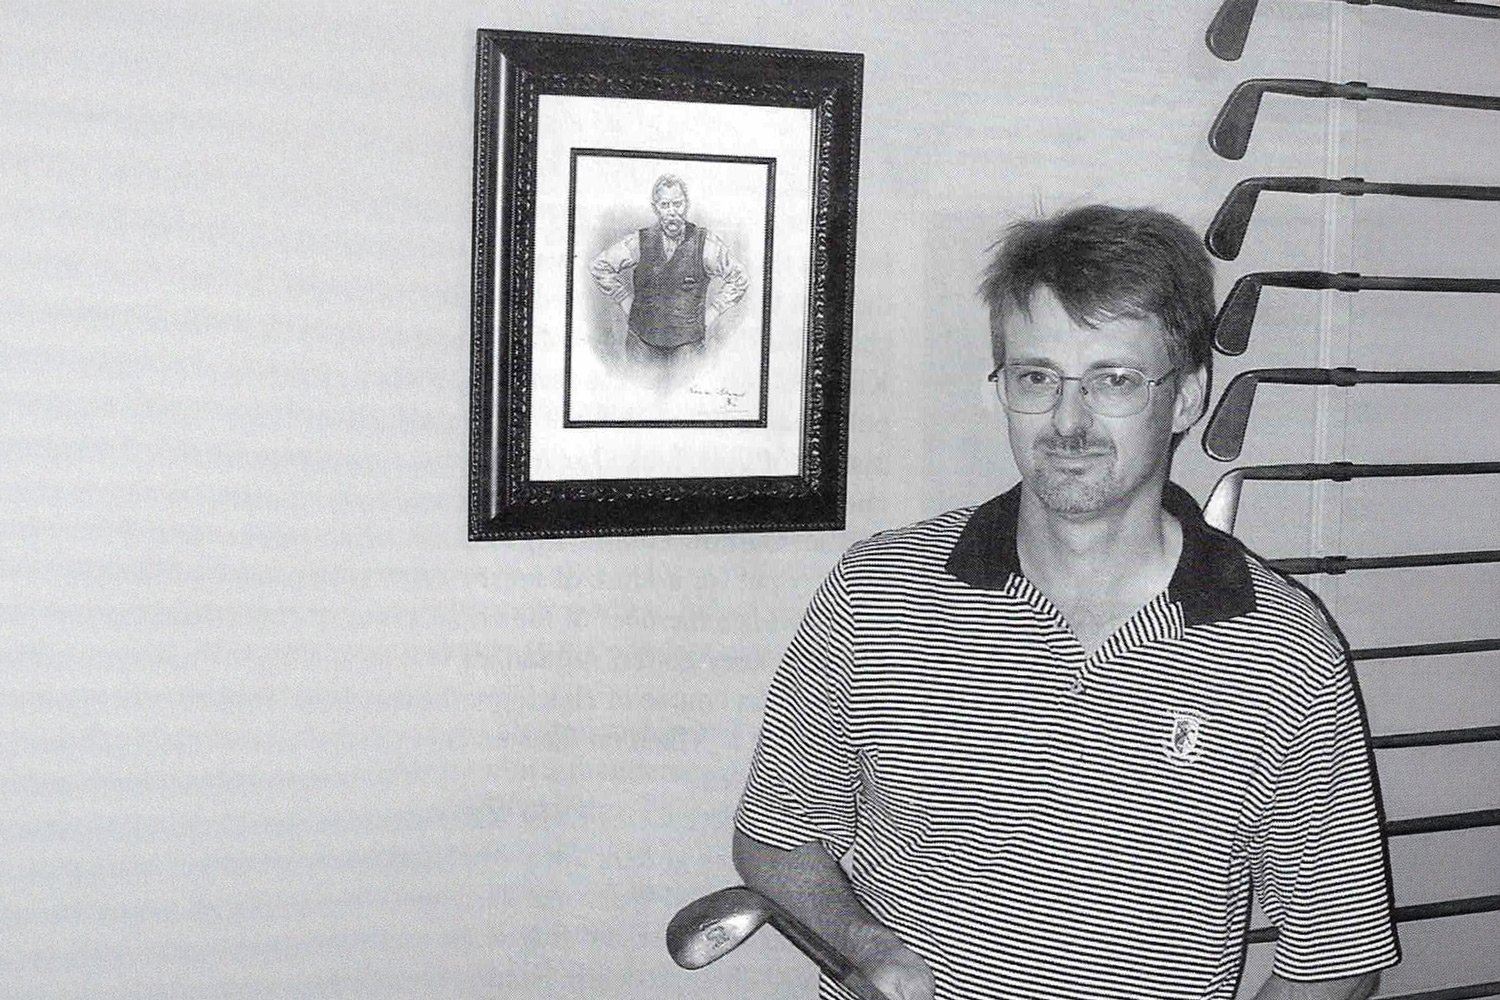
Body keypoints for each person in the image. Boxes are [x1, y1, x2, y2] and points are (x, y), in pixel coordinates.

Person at [732, 205, 1400, 1000]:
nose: (1068, 421)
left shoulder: (1286, 650)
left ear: (1186, 397)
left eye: (1115, 380)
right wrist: (863, 944)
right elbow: (772, 841)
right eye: (1036, 377)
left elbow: (1337, 956)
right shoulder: (874, 593)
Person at [588, 173, 749, 375]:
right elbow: (600, 266)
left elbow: (739, 279)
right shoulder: (639, 241)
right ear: (655, 208)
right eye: (665, 206)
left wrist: (711, 314)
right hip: (642, 346)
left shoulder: (705, 244)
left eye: (677, 204)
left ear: (687, 205)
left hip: (687, 349)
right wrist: (624, 300)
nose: (672, 212)